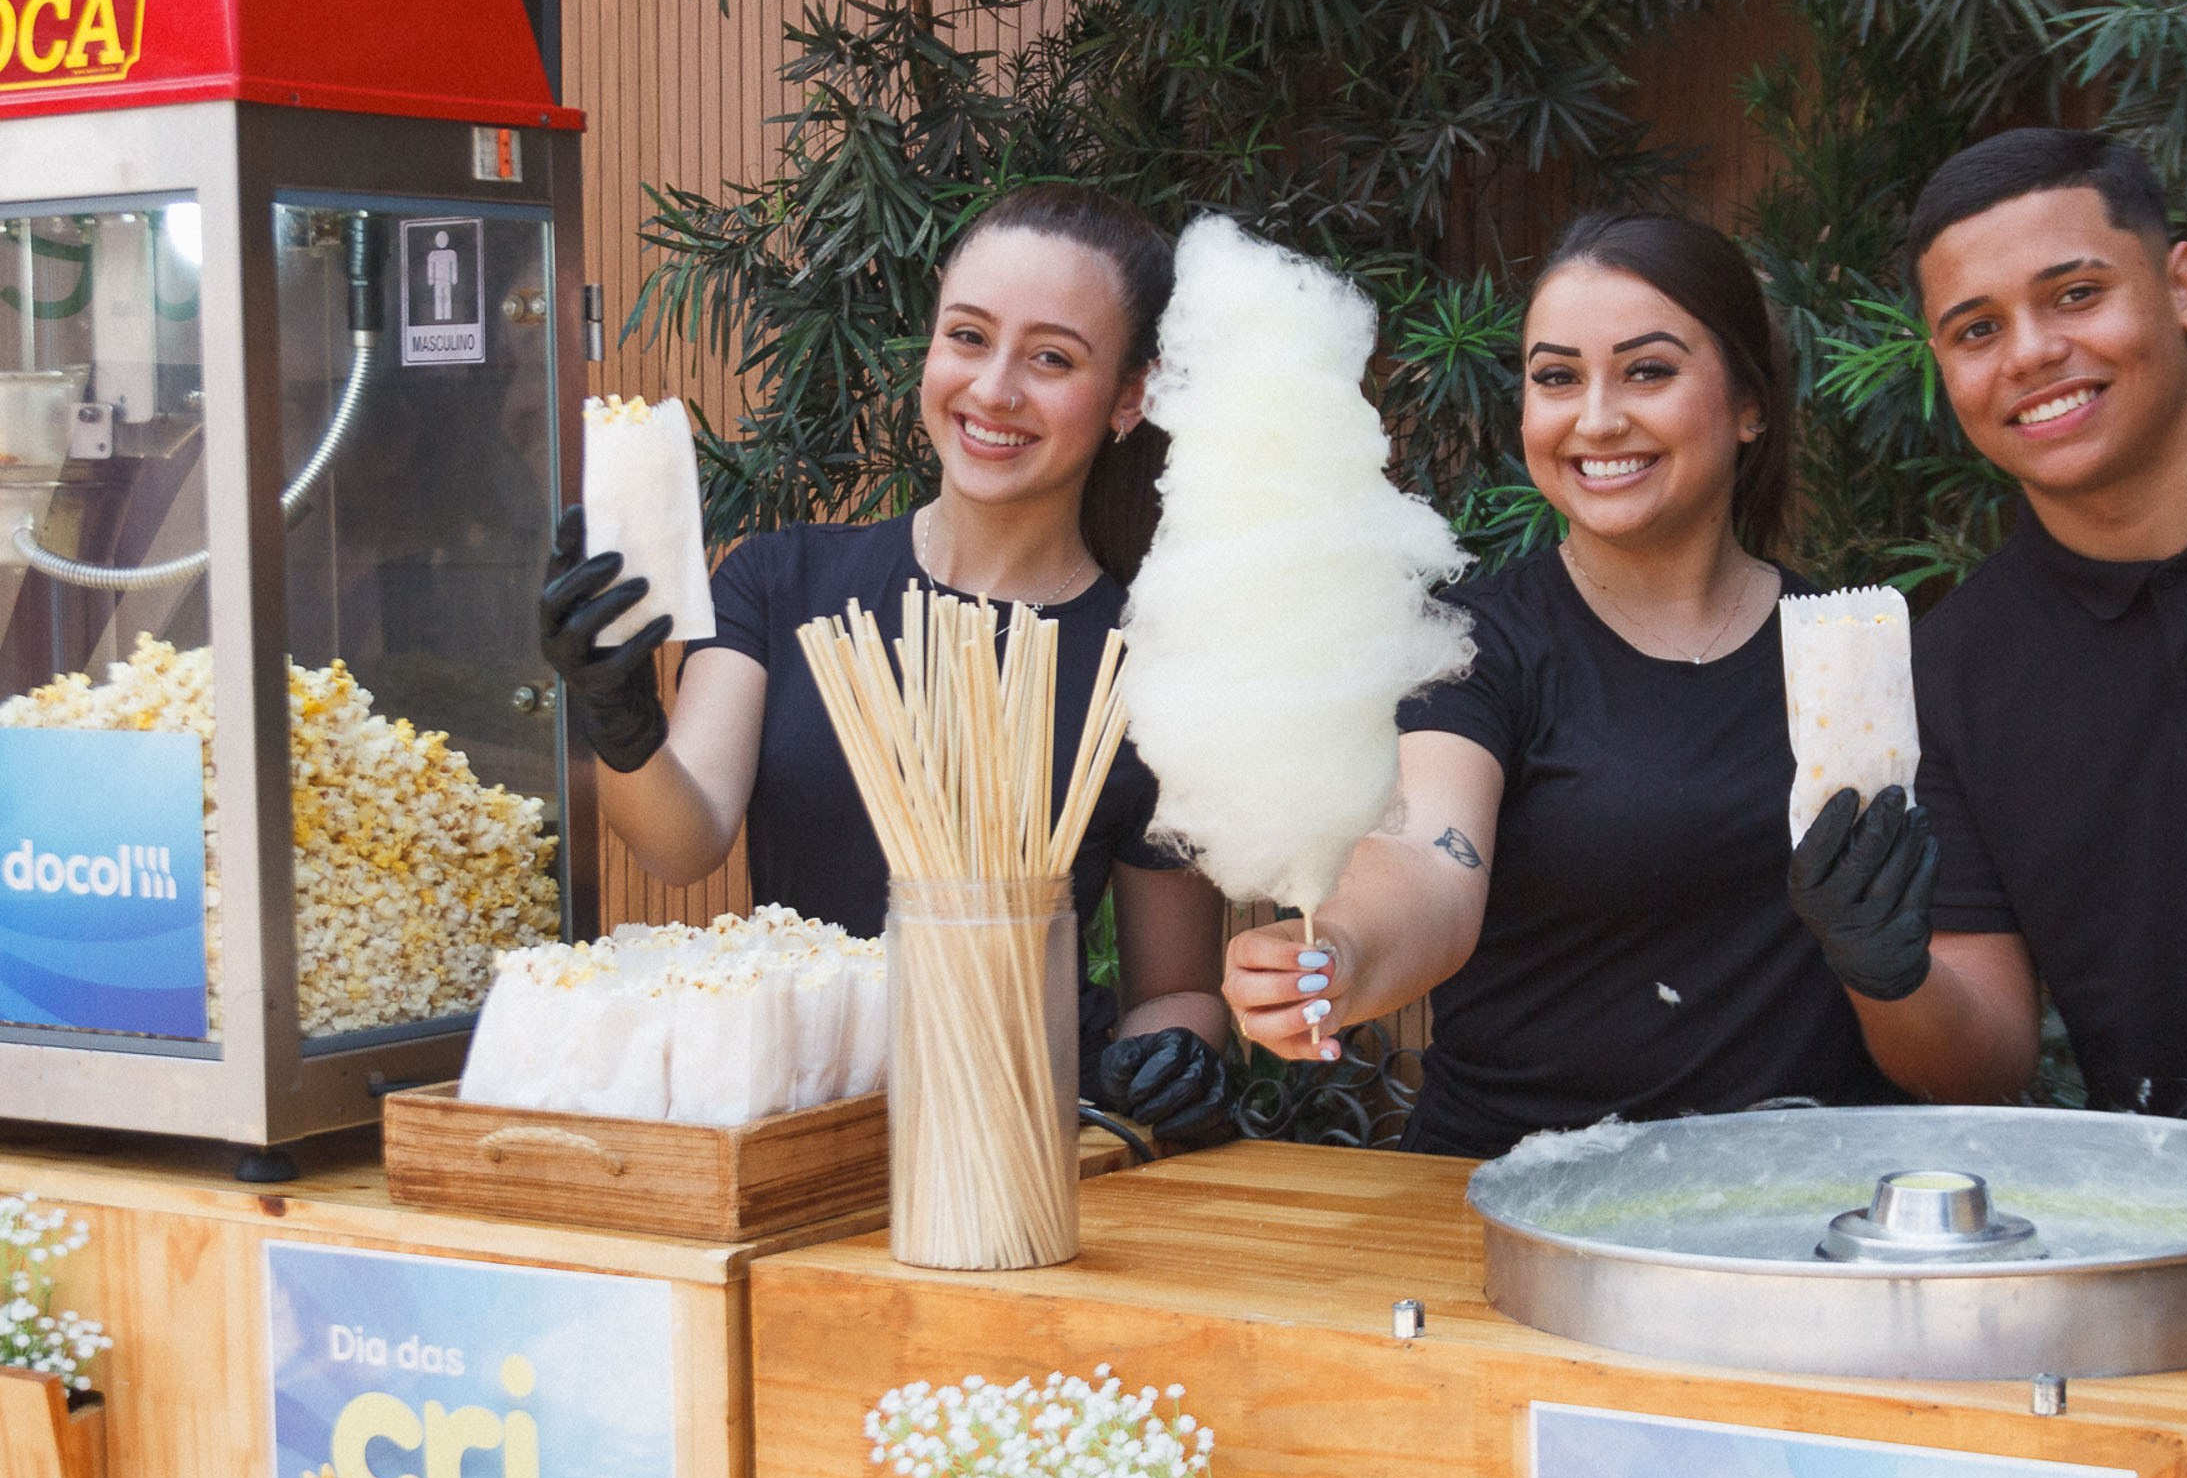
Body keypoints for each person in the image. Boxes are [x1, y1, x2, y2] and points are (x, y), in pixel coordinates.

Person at [540, 186, 1235, 1143]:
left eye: (1051, 359)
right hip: (799, 1125)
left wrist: (1171, 1057)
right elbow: (679, 840)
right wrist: (613, 714)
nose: (994, 389)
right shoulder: (784, 581)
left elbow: (1180, 991)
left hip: (1014, 1144)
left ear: (1128, 398)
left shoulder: (1155, 667)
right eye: (968, 336)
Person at [1222, 212, 1900, 1157]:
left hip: (1789, 1210)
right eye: (1556, 378)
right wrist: (1335, 955)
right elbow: (1428, 859)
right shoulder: (1475, 643)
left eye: (1648, 370)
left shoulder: (1849, 644)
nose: (1595, 417)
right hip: (1512, 1197)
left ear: (1751, 403)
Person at [1788, 127, 2187, 1173]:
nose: (2027, 353)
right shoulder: (1952, 671)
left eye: (2074, 294)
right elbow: (1983, 1067)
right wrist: (1883, 966)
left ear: (2182, 285)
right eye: (1976, 329)